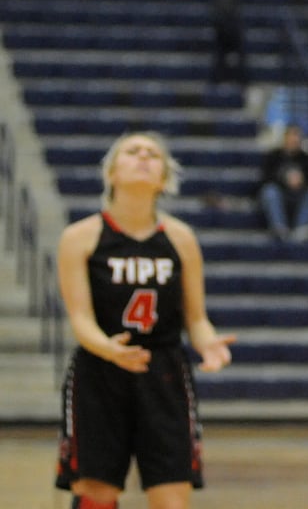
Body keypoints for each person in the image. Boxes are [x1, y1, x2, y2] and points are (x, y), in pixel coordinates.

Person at [55, 131, 235, 509]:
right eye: (131, 152)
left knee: (172, 497)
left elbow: (196, 318)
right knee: (96, 495)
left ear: (164, 178)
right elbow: (81, 318)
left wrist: (208, 344)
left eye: (152, 154)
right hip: (99, 372)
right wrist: (108, 348)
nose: (142, 157)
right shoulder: (80, 237)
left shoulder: (181, 238)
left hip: (164, 372)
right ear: (111, 173)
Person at [259, 124, 308, 241]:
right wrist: (285, 180)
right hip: (279, 193)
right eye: (292, 136)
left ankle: (301, 229)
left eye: (298, 136)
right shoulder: (274, 156)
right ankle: (280, 228)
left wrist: (301, 181)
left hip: (297, 195)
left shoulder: (305, 158)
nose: (295, 139)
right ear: (285, 137)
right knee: (270, 192)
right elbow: (265, 178)